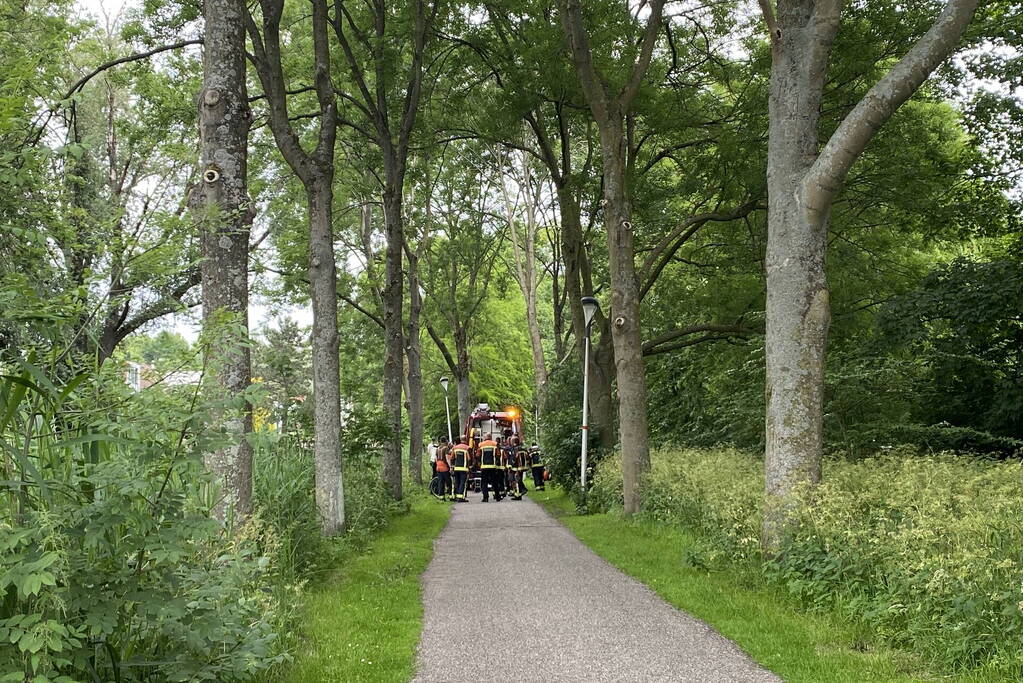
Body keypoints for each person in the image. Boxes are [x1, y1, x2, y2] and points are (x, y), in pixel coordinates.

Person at [477, 433, 503, 503]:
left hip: (484, 466)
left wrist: (479, 463)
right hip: (493, 466)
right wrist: (496, 462)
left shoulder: (480, 444)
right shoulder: (495, 444)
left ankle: (485, 497)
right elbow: (498, 454)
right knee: (495, 482)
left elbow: (478, 455)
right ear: (491, 437)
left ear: (485, 437)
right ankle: (497, 497)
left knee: (484, 482)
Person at [450, 436, 471, 503]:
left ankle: (456, 496)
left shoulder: (455, 448)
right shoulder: (467, 448)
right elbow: (469, 459)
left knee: (457, 482)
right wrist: (468, 467)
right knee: (463, 482)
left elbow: (452, 458)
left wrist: (452, 467)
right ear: (465, 440)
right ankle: (460, 497)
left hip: (456, 468)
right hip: (464, 468)